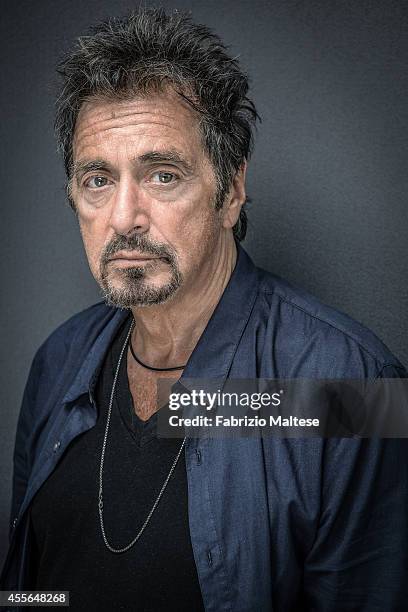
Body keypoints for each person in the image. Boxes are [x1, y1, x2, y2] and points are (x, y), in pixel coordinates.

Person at [1, 7, 407, 611]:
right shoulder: (58, 361)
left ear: (231, 189)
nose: (123, 217)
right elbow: (34, 590)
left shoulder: (353, 382)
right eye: (97, 180)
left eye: (162, 175)